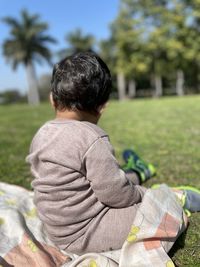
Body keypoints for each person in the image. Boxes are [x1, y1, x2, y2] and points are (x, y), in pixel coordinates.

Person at [26, 52, 200, 255]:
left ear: (52, 100)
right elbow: (118, 196)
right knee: (157, 213)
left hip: (56, 230)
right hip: (88, 231)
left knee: (115, 177)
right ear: (101, 107)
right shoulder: (91, 138)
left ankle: (137, 172)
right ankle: (174, 197)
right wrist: (146, 195)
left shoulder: (42, 134)